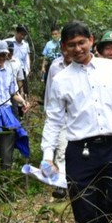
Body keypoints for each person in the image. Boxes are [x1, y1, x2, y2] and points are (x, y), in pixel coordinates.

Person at [42, 21, 112, 223]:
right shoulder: (61, 79)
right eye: (72, 44)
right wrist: (47, 155)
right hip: (80, 149)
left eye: (82, 42)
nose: (78, 48)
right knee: (83, 203)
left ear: (92, 40)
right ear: (63, 47)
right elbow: (54, 118)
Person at [0, 42, 30, 170]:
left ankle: (5, 176)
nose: (1, 58)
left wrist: (23, 102)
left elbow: (13, 92)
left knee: (7, 148)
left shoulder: (9, 70)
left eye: (4, 55)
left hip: (7, 113)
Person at [43, 47, 72, 199]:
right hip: (61, 114)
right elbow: (49, 89)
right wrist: (48, 110)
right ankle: (60, 185)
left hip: (78, 116)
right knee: (60, 150)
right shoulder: (55, 66)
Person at [5, 25, 31, 94]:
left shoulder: (26, 45)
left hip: (21, 70)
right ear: (16, 32)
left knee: (22, 90)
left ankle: (22, 103)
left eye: (24, 35)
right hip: (9, 68)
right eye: (21, 34)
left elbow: (26, 58)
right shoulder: (7, 42)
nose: (22, 37)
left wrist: (27, 70)